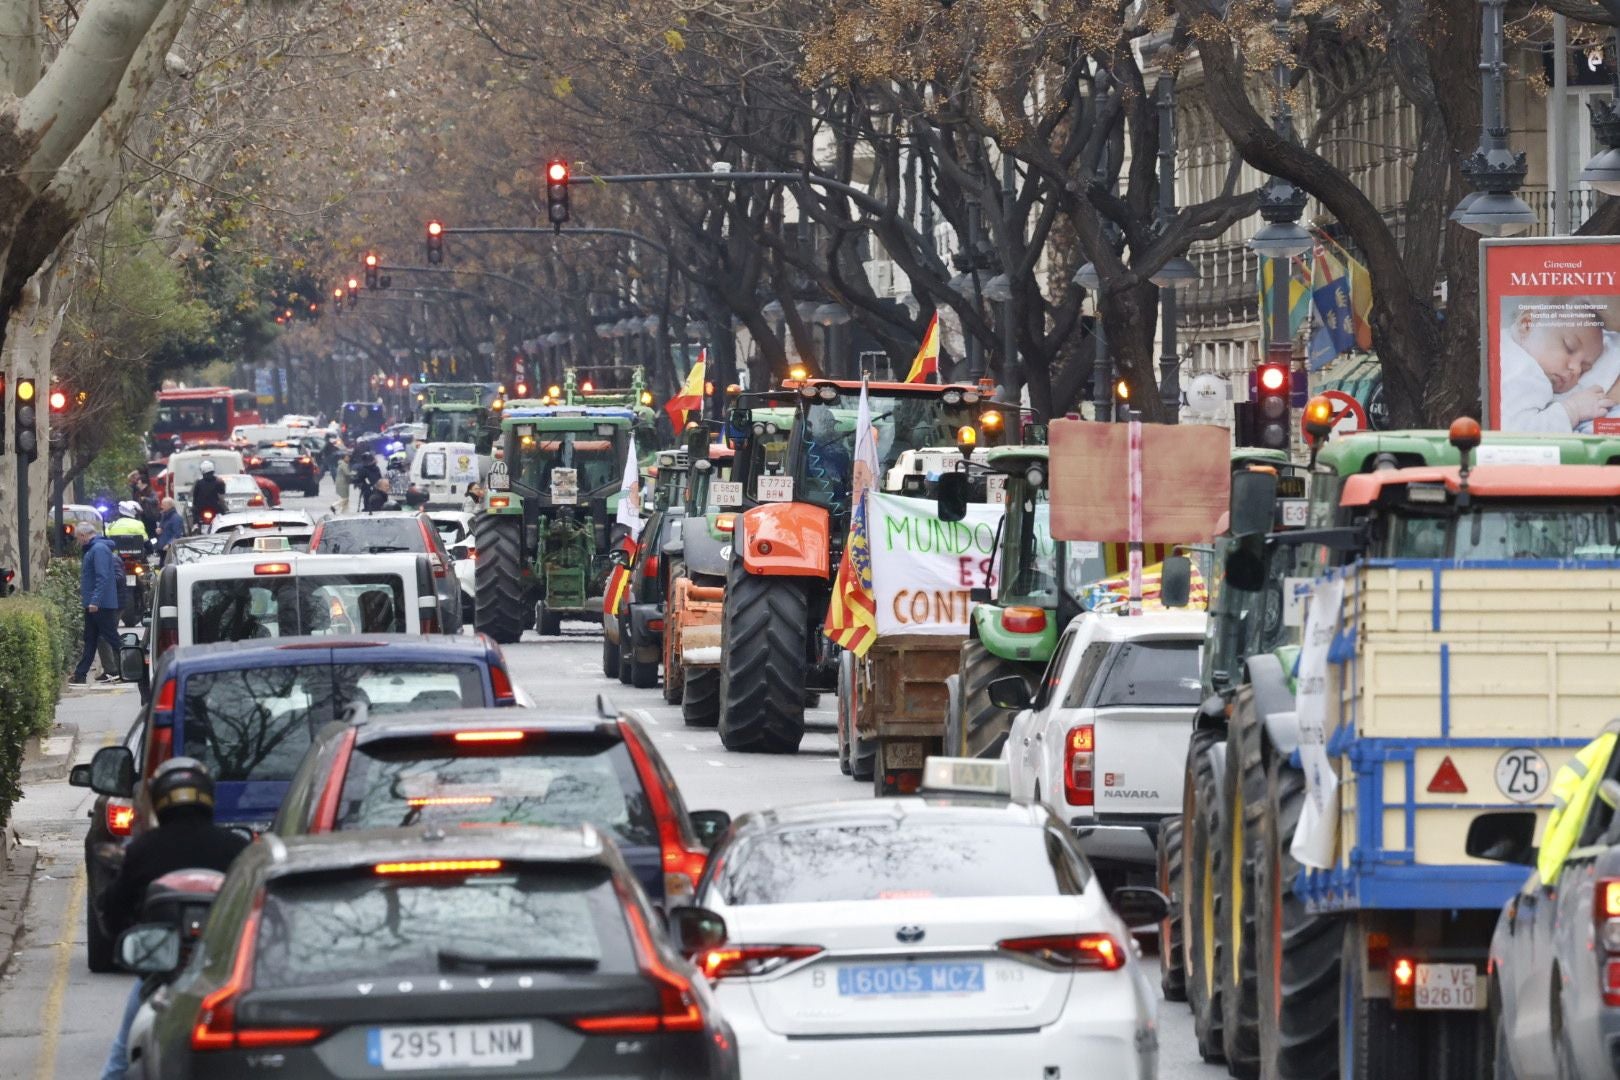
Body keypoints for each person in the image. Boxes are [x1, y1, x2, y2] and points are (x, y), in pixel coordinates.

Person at [97, 758, 249, 1080]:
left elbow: (112, 914)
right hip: (224, 979)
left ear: (159, 800)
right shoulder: (236, 849)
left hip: (160, 977)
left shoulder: (142, 850)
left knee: (119, 1063)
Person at [70, 522, 122, 686]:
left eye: (78, 538)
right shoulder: (95, 549)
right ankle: (80, 674)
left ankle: (128, 668)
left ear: (84, 535)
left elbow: (102, 577)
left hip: (100, 604)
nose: (78, 541)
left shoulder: (98, 549)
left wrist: (95, 601)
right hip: (96, 603)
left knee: (112, 638)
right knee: (90, 638)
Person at [190, 460, 225, 526]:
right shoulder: (218, 481)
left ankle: (195, 525)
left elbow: (195, 496)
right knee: (223, 513)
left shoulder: (199, 483)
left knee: (195, 513)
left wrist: (194, 505)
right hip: (214, 506)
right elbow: (222, 492)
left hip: (201, 507)